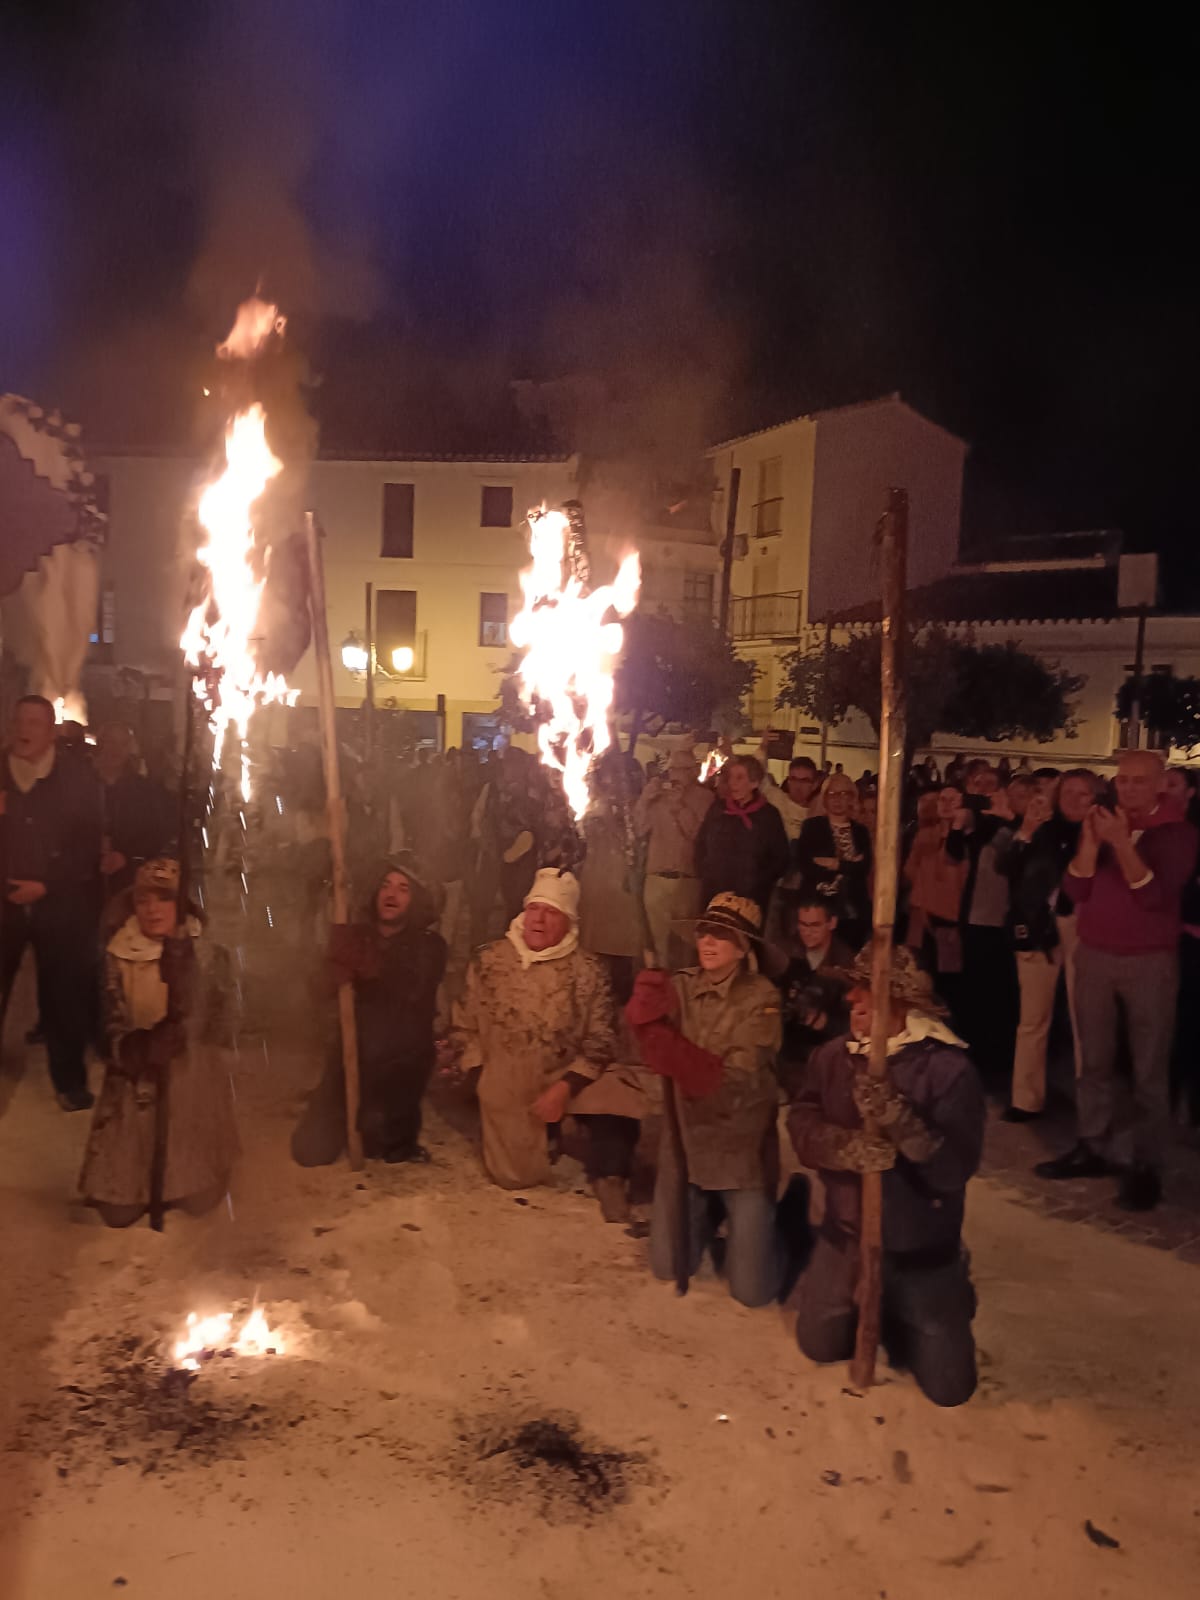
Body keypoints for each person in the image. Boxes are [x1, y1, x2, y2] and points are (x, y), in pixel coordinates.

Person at [787, 946, 984, 1407]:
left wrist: (901, 1122)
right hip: (847, 1236)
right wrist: (843, 1146)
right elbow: (801, 1120)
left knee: (951, 1388)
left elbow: (953, 1169)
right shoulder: (834, 1056)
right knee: (818, 1343)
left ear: (903, 1006)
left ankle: (945, 1291)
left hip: (921, 1251)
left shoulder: (949, 1071)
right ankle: (869, 1301)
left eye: (867, 989)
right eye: (853, 987)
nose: (852, 997)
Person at [1036, 751, 1197, 1210]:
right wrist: (1090, 842)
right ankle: (1093, 1143)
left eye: (1138, 781)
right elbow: (1075, 890)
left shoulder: (1178, 834)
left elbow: (1151, 896)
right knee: (1095, 1060)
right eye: (1122, 780)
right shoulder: (1105, 822)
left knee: (1149, 1068)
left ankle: (1147, 1163)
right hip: (1096, 954)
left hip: (1149, 961)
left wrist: (1122, 843)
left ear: (1161, 784)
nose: (1127, 788)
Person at [453, 868, 645, 1219]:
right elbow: (464, 1025)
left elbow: (602, 1037)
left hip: (568, 1072)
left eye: (551, 912)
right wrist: (479, 1073)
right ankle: (547, 1137)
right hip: (506, 1075)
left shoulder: (588, 969)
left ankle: (610, 1172)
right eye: (534, 909)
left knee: (621, 1091)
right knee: (513, 1177)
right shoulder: (490, 960)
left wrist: (565, 1087)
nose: (539, 920)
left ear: (568, 922)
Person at [627, 893, 783, 1307]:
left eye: (722, 934)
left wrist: (671, 1048)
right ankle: (707, 1214)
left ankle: (776, 1217)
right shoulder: (680, 984)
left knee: (751, 1291)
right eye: (704, 932)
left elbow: (735, 1082)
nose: (708, 942)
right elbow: (636, 1043)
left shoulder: (762, 999)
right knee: (665, 1264)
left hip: (739, 1145)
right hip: (687, 1144)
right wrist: (640, 1016)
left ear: (743, 947)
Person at [78, 858, 238, 1226]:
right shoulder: (117, 956)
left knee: (199, 1198)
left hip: (192, 1087)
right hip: (137, 1090)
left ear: (180, 905)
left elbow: (224, 1021)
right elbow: (106, 1030)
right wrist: (140, 1048)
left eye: (162, 899)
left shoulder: (209, 954)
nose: (152, 909)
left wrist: (189, 1004)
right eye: (143, 900)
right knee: (119, 1212)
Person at [293, 859, 447, 1165]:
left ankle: (392, 1132)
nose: (392, 894)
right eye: (386, 885)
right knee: (309, 1151)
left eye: (403, 888)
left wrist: (364, 963)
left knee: (381, 1147)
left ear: (414, 900)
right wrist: (332, 971)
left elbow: (411, 988)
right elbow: (317, 991)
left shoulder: (430, 946)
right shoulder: (356, 937)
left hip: (398, 1065)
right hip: (351, 1056)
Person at [0, 695, 103, 1110]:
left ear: (51, 731)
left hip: (60, 906)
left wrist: (48, 884)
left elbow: (87, 844)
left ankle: (69, 1080)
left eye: (35, 723)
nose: (25, 729)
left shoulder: (76, 779)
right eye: (20, 720)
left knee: (63, 995)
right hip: (2, 903)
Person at [1002, 769, 1098, 1120]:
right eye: (1068, 792)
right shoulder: (1043, 830)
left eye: (1083, 793)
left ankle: (1088, 1105)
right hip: (1040, 928)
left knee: (1085, 1019)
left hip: (1084, 926)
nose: (1074, 799)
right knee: (1032, 1017)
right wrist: (1026, 829)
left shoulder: (1100, 833)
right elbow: (1008, 867)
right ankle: (1025, 1098)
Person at [634, 747, 714, 970]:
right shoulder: (658, 796)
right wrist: (644, 799)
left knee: (687, 947)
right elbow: (639, 830)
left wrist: (680, 807)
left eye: (682, 769)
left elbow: (698, 835)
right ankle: (661, 997)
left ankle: (685, 997)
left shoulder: (705, 798)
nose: (676, 775)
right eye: (673, 769)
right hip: (656, 879)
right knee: (659, 949)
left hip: (687, 881)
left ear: (694, 770)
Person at [695, 755, 790, 920]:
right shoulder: (718, 810)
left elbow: (780, 858)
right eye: (731, 777)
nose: (733, 783)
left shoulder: (768, 816)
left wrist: (758, 883)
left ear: (754, 783)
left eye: (739, 778)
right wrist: (705, 871)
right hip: (715, 892)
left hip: (751, 898)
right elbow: (701, 843)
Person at [777, 897, 855, 1092]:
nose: (807, 932)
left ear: (832, 923)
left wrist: (824, 1022)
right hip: (787, 1050)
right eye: (802, 924)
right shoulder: (785, 953)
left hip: (828, 1056)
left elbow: (858, 1025)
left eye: (815, 925)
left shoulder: (847, 965)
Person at [93, 721, 174, 901]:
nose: (116, 749)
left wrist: (125, 856)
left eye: (122, 744)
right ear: (101, 743)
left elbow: (156, 834)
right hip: (86, 882)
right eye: (111, 742)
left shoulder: (144, 791)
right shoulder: (83, 783)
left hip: (127, 883)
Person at [794, 772, 873, 949]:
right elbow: (806, 865)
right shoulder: (812, 827)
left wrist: (835, 863)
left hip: (853, 908)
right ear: (825, 797)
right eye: (832, 794)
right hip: (819, 906)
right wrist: (849, 865)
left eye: (844, 794)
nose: (838, 799)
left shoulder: (860, 832)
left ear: (852, 798)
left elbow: (864, 868)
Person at [762, 754, 821, 841]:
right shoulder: (775, 797)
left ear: (814, 785)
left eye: (804, 781)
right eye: (793, 779)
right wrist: (764, 745)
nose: (798, 785)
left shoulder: (818, 813)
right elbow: (758, 773)